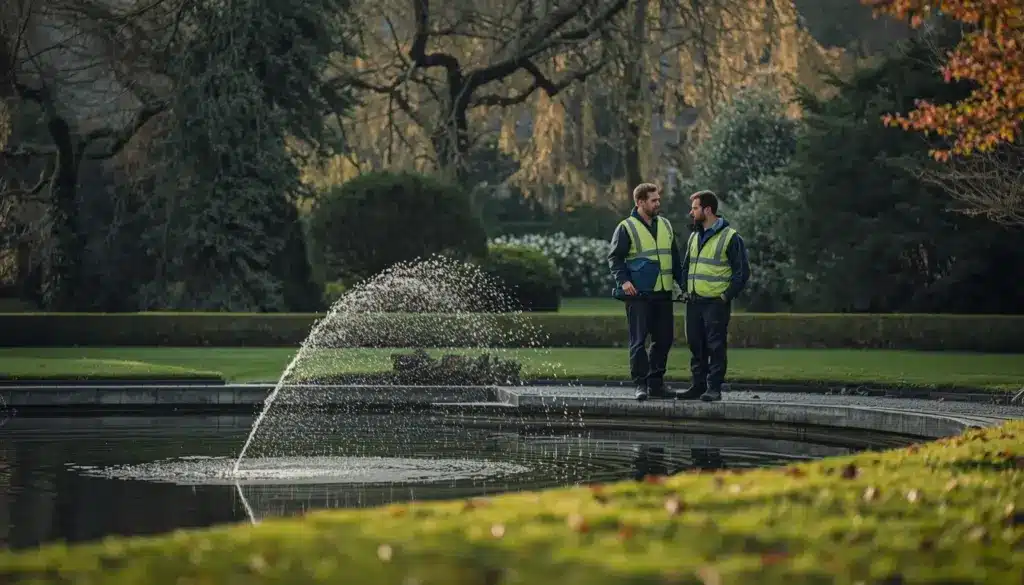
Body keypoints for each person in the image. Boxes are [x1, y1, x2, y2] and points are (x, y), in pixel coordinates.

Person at [607, 183, 685, 401]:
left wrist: (683, 284)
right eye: (653, 200)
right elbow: (615, 258)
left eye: (658, 199)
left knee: (664, 339)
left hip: (663, 293)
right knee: (639, 341)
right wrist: (623, 281)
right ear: (640, 202)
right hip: (638, 295)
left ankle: (656, 384)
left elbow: (675, 259)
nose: (658, 203)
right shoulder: (626, 227)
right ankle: (640, 385)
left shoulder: (666, 225)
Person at [674, 190, 750, 402]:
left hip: (715, 304)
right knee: (696, 345)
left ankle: (713, 388)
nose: (691, 212)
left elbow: (742, 273)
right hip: (694, 302)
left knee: (715, 346)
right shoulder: (694, 236)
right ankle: (697, 386)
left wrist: (725, 297)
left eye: (695, 208)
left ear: (707, 210)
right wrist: (684, 290)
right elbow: (686, 267)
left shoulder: (731, 238)